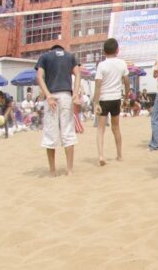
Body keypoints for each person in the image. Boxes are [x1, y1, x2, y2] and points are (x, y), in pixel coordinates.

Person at [36, 44, 82, 176]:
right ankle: (70, 170)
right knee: (68, 133)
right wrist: (75, 93)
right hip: (66, 95)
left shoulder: (44, 57)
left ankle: (52, 171)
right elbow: (77, 74)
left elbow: (39, 77)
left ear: (51, 50)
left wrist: (48, 95)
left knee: (50, 134)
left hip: (52, 95)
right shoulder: (70, 56)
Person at [92, 38, 129, 165]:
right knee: (116, 128)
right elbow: (126, 82)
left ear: (104, 51)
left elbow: (98, 85)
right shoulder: (122, 63)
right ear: (117, 50)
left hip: (104, 99)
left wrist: (96, 103)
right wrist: (127, 97)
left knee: (101, 129)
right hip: (116, 99)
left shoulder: (101, 65)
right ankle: (119, 155)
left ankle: (101, 156)